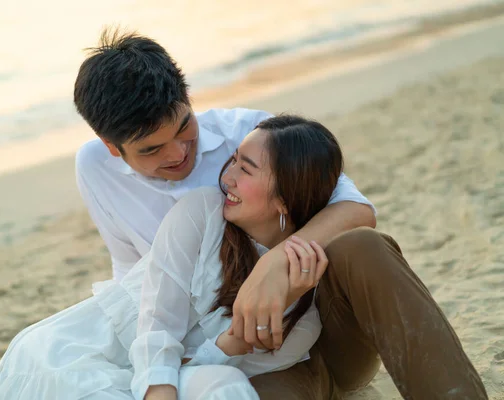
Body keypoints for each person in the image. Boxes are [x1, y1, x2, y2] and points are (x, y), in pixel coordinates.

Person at [71, 30, 487, 399]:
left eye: (184, 127)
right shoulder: (96, 169)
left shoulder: (253, 136)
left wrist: (276, 260)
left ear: (188, 98)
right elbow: (131, 268)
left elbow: (357, 209)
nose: (178, 153)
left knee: (363, 246)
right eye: (151, 150)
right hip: (241, 360)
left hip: (326, 328)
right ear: (113, 148)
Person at [0, 115, 345, 399]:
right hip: (84, 353)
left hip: (171, 375)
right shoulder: (201, 212)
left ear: (286, 198)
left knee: (227, 387)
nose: (228, 177)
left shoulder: (302, 323)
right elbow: (157, 323)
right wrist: (160, 392)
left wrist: (234, 341)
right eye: (233, 160)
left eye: (245, 169)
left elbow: (196, 366)